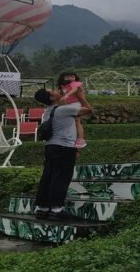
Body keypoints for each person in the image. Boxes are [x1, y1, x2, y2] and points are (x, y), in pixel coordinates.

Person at [33, 88, 93, 220]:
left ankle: (43, 209)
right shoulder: (63, 110)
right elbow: (89, 110)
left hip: (51, 147)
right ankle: (56, 209)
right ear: (52, 97)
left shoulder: (48, 111)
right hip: (64, 147)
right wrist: (81, 96)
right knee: (61, 178)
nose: (57, 91)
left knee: (48, 177)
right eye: (53, 91)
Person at [57, 72, 92, 149]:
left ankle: (81, 139)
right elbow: (61, 95)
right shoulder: (63, 86)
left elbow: (75, 89)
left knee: (77, 121)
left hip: (75, 104)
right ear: (62, 78)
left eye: (72, 77)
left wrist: (67, 95)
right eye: (67, 77)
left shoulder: (75, 83)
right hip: (68, 105)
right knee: (71, 122)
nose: (70, 78)